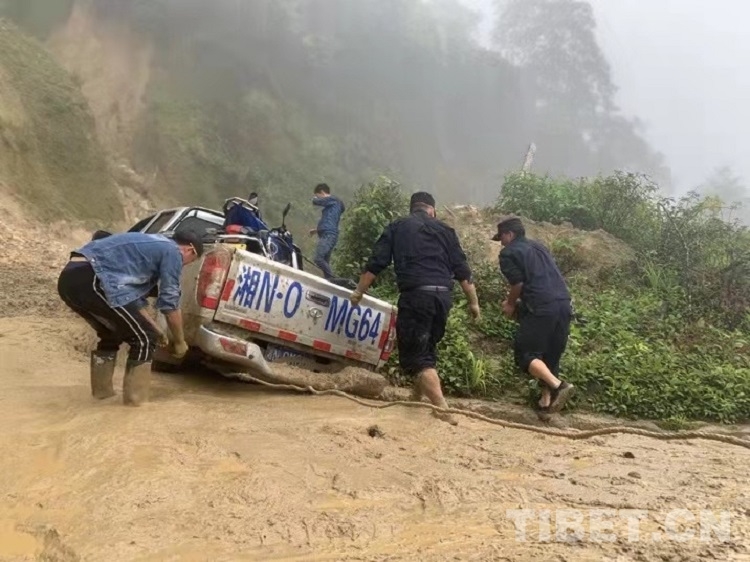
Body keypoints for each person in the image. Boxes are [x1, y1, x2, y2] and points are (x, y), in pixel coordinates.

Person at [349, 192, 481, 425]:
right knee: (426, 347)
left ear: (412, 208)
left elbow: (376, 263)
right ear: (432, 210)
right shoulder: (446, 230)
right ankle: (417, 397)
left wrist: (359, 291)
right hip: (443, 298)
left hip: (416, 296)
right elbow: (463, 270)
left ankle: (441, 408)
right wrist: (474, 303)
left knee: (418, 357)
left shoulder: (398, 226)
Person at [57, 230, 203, 406]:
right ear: (190, 250)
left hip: (70, 279)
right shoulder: (172, 251)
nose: (184, 265)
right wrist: (180, 341)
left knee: (112, 333)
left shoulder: (149, 248)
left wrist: (156, 329)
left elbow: (131, 303)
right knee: (145, 340)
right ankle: (135, 404)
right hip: (92, 279)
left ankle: (101, 397)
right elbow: (170, 303)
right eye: (190, 262)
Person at [492, 217, 575, 416]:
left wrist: (510, 304)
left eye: (502, 238)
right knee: (550, 354)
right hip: (564, 304)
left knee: (526, 354)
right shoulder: (539, 247)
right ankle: (546, 403)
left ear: (509, 234)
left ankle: (559, 386)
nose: (501, 243)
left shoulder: (508, 253)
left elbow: (518, 283)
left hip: (542, 307)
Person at [309, 183, 345, 279]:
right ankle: (329, 280)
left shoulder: (334, 200)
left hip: (328, 235)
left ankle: (332, 279)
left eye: (318, 195)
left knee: (318, 258)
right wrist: (316, 230)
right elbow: (329, 221)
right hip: (329, 234)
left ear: (322, 192)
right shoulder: (332, 207)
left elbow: (316, 201)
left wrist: (314, 199)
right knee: (325, 261)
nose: (317, 197)